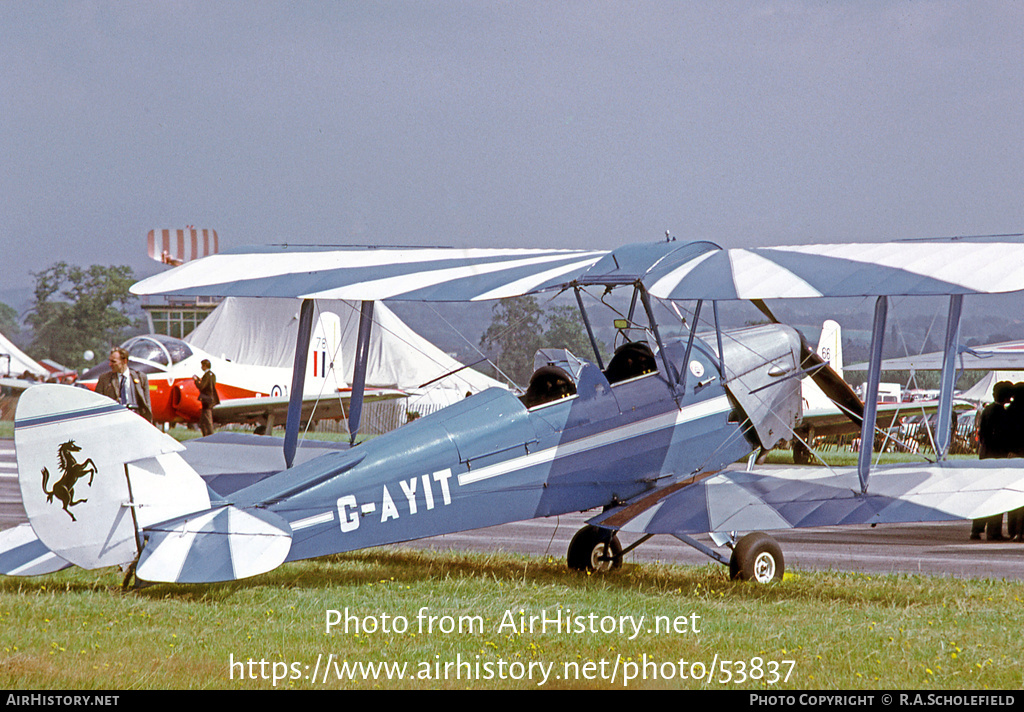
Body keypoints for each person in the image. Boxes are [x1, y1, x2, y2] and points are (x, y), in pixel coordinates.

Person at [972, 381, 1013, 539]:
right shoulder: (1000, 413)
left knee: (984, 495)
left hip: (985, 455)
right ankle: (994, 531)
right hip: (997, 457)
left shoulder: (987, 410)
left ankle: (977, 529)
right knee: (996, 495)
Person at [95, 347, 153, 423]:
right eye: (110, 361)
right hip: (113, 420)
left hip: (135, 420)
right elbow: (97, 403)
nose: (110, 364)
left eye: (113, 362)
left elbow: (147, 404)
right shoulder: (104, 379)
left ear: (124, 361)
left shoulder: (141, 378)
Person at [193, 359, 219, 437]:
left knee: (207, 420)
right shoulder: (212, 375)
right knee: (203, 421)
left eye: (202, 365)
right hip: (210, 400)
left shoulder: (207, 375)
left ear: (205, 366)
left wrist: (196, 381)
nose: (201, 367)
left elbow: (201, 386)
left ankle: (210, 436)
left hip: (206, 401)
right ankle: (206, 436)